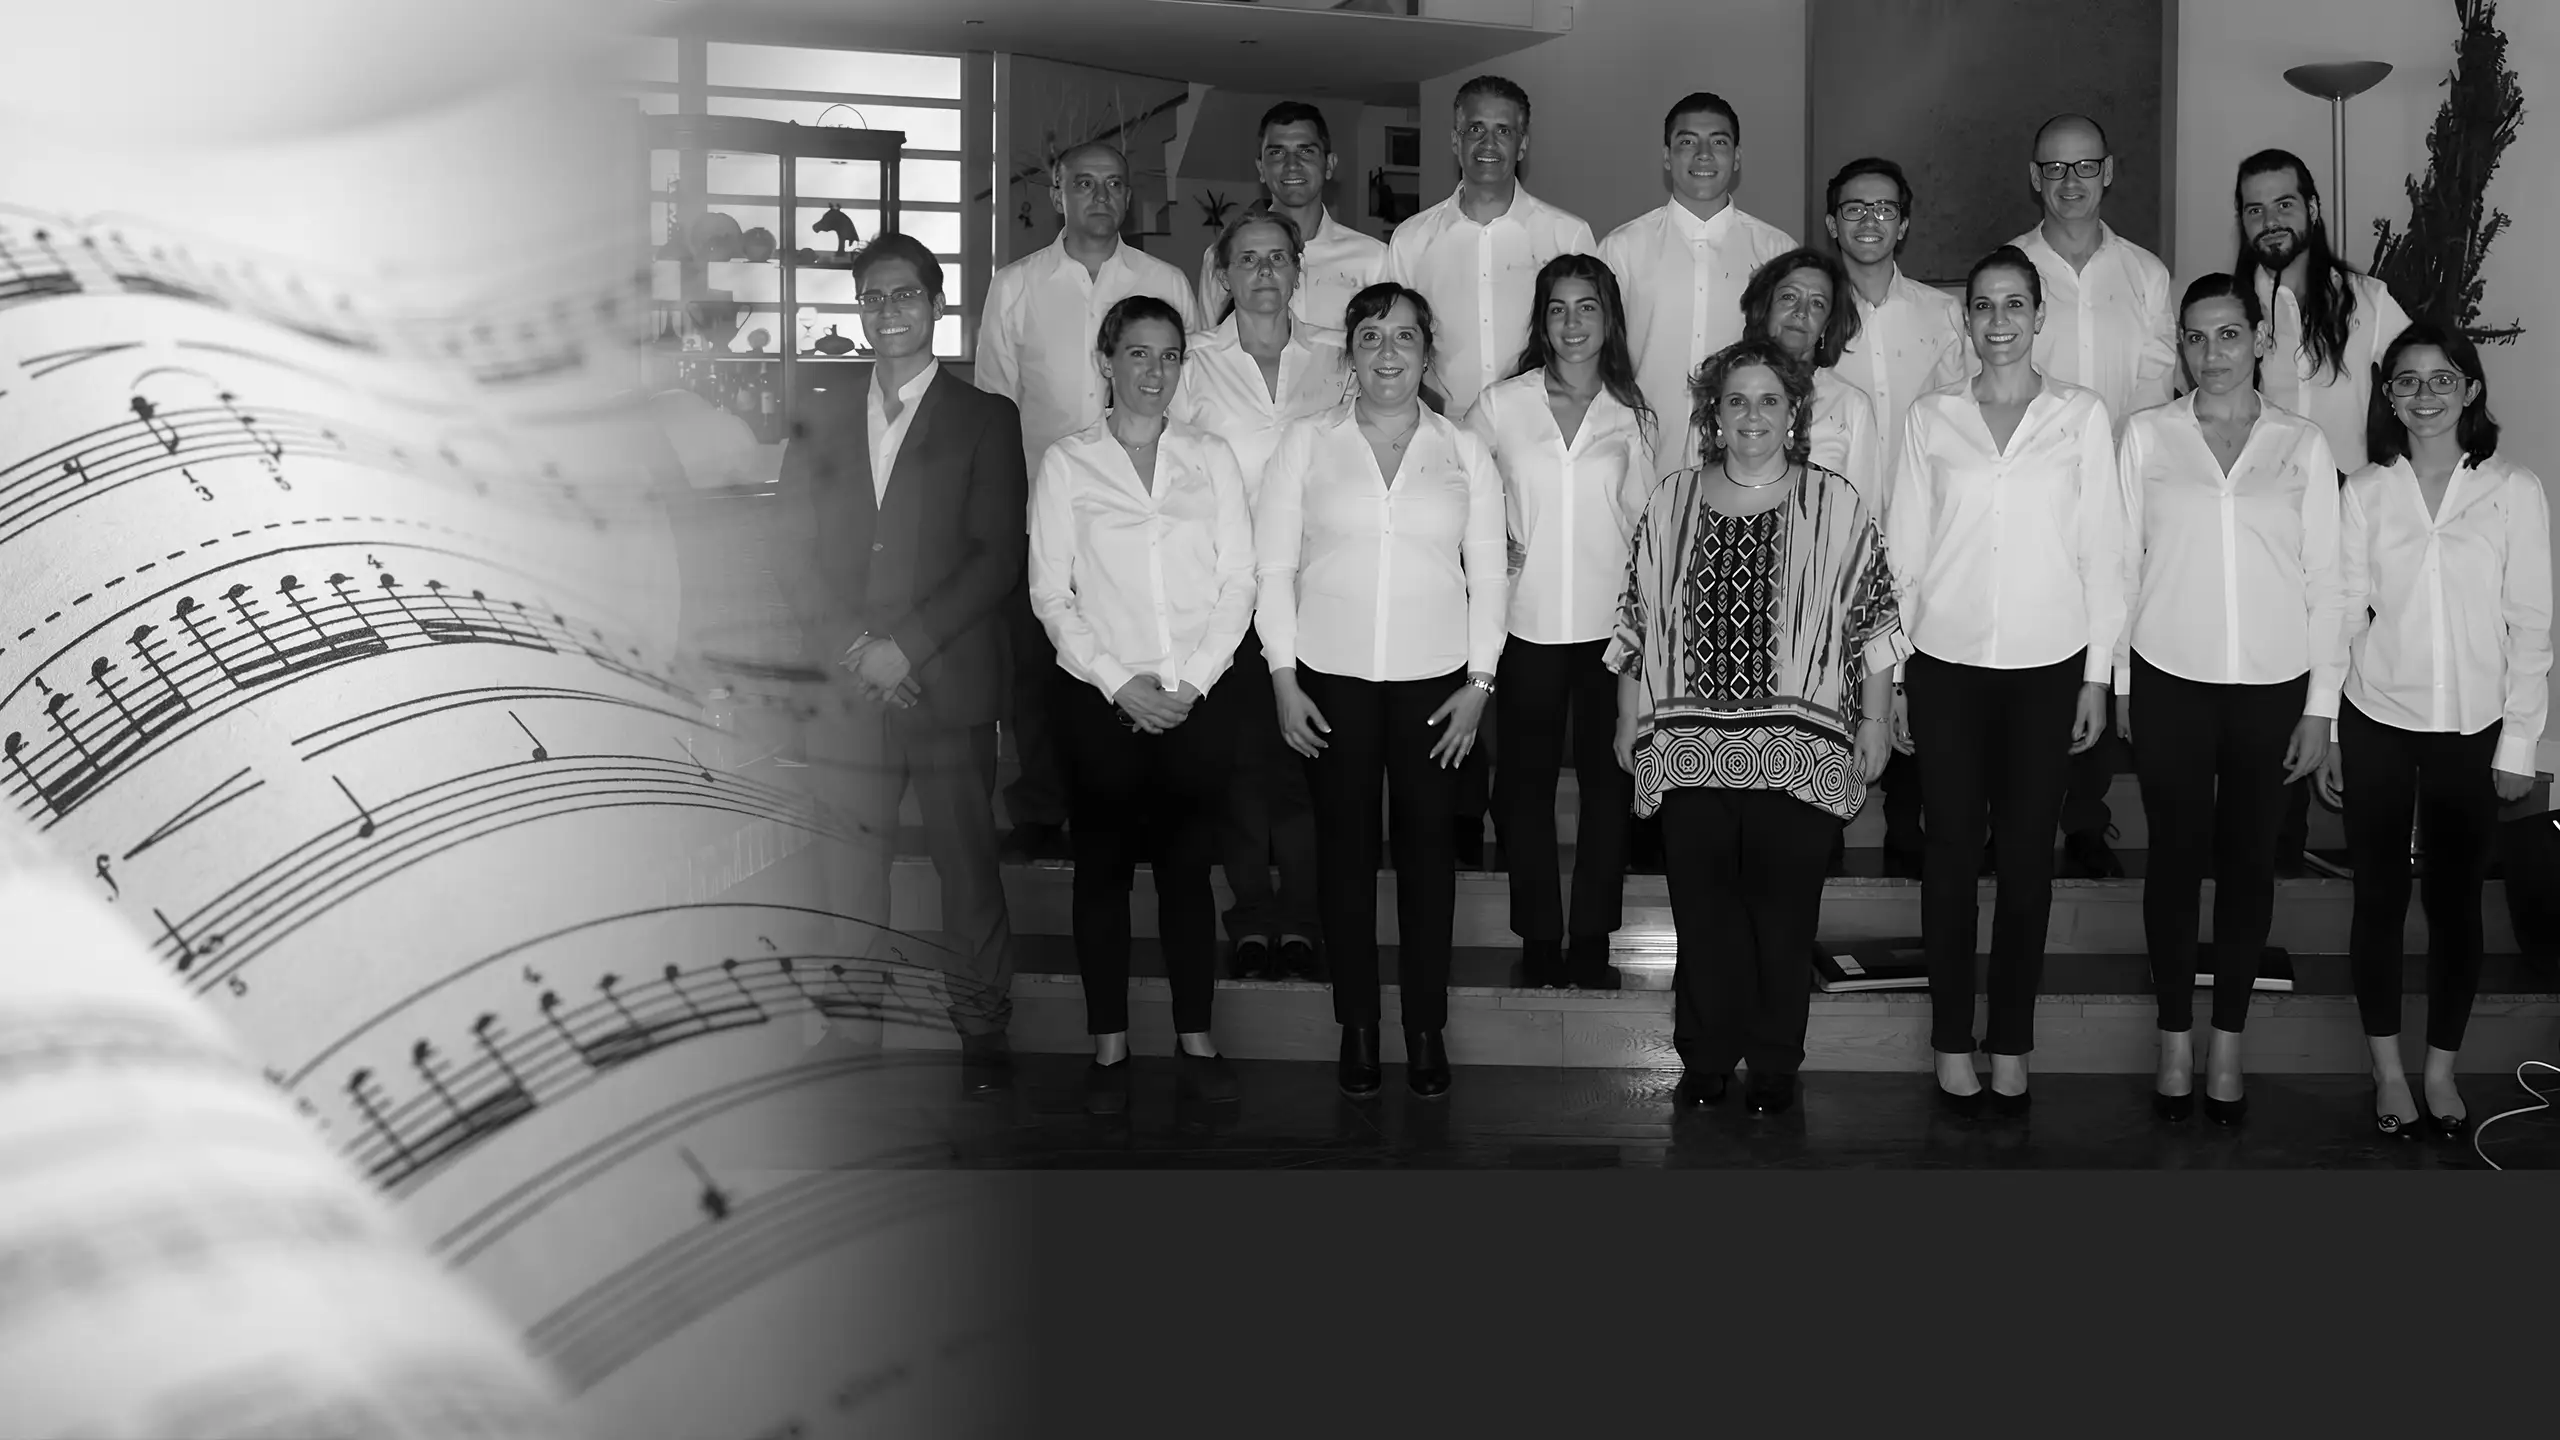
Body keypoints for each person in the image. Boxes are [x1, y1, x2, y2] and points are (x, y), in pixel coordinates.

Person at [1609, 336, 1904, 1114]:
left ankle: (1774, 1059)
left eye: (1769, 400)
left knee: (1783, 913)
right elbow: (1637, 619)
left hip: (1801, 747)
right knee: (1703, 911)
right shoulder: (1672, 500)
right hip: (1687, 744)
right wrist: (1626, 718)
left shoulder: (1835, 502)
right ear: (1714, 414)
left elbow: (1874, 620)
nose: (1752, 415)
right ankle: (1706, 1055)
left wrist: (1876, 720)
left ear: (1794, 412)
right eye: (1736, 400)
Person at [775, 232, 1027, 1094]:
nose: (890, 311)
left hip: (947, 680)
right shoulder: (819, 412)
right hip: (848, 686)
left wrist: (906, 647)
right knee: (851, 865)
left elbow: (997, 556)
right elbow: (791, 547)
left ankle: (982, 1030)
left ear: (937, 305)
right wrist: (855, 649)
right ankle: (852, 1032)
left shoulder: (986, 418)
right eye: (874, 297)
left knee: (967, 865)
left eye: (906, 295)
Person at [1888, 245, 2125, 1116]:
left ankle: (2013, 1041)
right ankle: (1953, 1038)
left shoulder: (2081, 416)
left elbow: (2104, 553)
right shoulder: (1931, 418)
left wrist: (2098, 678)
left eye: (2014, 305)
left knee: (2028, 862)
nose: (1998, 321)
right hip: (1944, 666)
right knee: (1950, 858)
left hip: (2048, 667)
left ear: (2038, 316)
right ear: (1967, 319)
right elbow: (1904, 553)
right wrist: (1896, 675)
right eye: (1983, 305)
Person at [1255, 282, 1507, 1100]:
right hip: (1330, 679)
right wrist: (1283, 676)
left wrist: (1480, 682)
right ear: (1350, 355)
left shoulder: (1463, 449)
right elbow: (1274, 567)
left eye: (1404, 337)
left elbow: (1490, 574)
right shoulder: (1306, 444)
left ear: (1427, 354)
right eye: (1370, 336)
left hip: (1439, 686)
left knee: (1431, 860)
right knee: (1344, 859)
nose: (1387, 352)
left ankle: (1425, 1029)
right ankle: (1358, 1027)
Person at [2115, 274, 2342, 1125]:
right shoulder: (2147, 436)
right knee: (2175, 860)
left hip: (2273, 686)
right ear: (2180, 347)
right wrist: (2121, 680)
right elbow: (2119, 565)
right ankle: (2175, 1038)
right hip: (2168, 676)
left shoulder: (2301, 445)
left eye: (2228, 334)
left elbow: (2327, 582)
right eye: (2195, 337)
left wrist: (2322, 706)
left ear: (2258, 341)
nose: (2211, 353)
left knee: (2249, 864)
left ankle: (2228, 1043)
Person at [2317, 320, 2551, 1140]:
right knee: (2379, 899)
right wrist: (2329, 726)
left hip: (2475, 727)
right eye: (2408, 381)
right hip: (2377, 716)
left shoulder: (2513, 489)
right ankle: (2388, 1072)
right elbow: (2343, 615)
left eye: (2442, 378)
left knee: (2455, 905)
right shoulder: (2364, 491)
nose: (2425, 395)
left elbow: (2531, 625)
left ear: (2471, 389)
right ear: (2388, 396)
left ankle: (2441, 1070)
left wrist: (2519, 742)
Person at [1029, 295, 1258, 1115]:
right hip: (1100, 701)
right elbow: (1051, 594)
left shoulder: (1210, 456)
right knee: (1102, 875)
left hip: (1197, 699)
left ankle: (1196, 1036)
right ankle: (1109, 1045)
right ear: (1106, 361)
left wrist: (1190, 682)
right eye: (1137, 353)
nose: (1154, 371)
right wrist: (1118, 681)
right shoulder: (1068, 463)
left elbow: (1239, 581)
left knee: (1188, 875)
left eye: (1168, 355)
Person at [976, 142, 1202, 861]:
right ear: (1057, 193)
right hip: (1043, 512)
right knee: (1040, 668)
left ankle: (1141, 799)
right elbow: (995, 409)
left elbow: (1185, 401)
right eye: (1084, 184)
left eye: (1113, 184)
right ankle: (1042, 804)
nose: (1100, 197)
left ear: (1128, 196)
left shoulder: (1164, 281)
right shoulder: (1015, 285)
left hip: (1139, 512)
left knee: (1139, 648)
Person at [1464, 254, 1655, 991]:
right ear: (1541, 321)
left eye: (1587, 307)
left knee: (1611, 785)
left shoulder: (1633, 414)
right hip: (1526, 624)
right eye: (1558, 308)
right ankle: (1541, 935)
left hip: (1612, 630)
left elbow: (1648, 528)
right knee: (1524, 788)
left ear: (1609, 320)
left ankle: (1593, 937)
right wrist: (1484, 543)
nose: (1572, 323)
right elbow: (1452, 485)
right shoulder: (1501, 405)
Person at [1170, 212, 1349, 982]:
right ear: (1223, 273)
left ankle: (1304, 919)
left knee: (1309, 764)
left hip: (1325, 589)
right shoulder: (1194, 363)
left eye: (1279, 258)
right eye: (1248, 259)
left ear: (1299, 270)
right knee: (1242, 764)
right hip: (1229, 591)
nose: (1265, 272)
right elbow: (1172, 472)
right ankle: (1249, 918)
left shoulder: (1338, 355)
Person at [2232, 146, 2413, 874]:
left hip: (2345, 523)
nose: (2270, 219)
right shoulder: (2230, 306)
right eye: (2254, 208)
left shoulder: (2366, 300)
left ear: (2311, 207)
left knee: (2346, 664)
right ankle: (2271, 850)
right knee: (2272, 685)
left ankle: (2366, 849)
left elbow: (2420, 381)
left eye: (2284, 203)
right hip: (2258, 531)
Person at [2007, 114, 2171, 880]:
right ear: (2034, 177)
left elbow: (2154, 392)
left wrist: (2124, 486)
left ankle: (2084, 820)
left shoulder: (2145, 274)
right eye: (2054, 167)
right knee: (2025, 659)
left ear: (2108, 171)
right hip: (2028, 500)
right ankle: (2010, 818)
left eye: (2083, 166)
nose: (2069, 181)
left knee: (2099, 651)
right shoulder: (2011, 268)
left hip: (2116, 495)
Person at [1821, 155, 1961, 878]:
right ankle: (1820, 822)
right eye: (1854, 208)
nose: (1869, 221)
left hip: (1922, 527)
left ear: (1904, 223)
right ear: (1831, 222)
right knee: (1826, 674)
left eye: (1883, 209)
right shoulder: (1814, 310)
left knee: (1915, 673)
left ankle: (1908, 829)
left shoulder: (1943, 315)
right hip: (1832, 534)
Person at [1383, 74, 1597, 420]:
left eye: (1504, 131)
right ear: (1456, 141)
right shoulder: (1411, 240)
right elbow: (1395, 340)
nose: (1488, 143)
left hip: (1539, 428)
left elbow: (1591, 344)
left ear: (1522, 145)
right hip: (1442, 430)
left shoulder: (1568, 236)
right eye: (1475, 129)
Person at [1600, 91, 1797, 463]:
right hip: (1642, 458)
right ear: (1667, 156)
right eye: (1688, 142)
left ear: (1737, 157)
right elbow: (1602, 359)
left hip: (1746, 460)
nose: (1703, 154)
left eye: (1718, 142)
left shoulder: (1776, 252)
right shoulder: (1621, 249)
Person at [1194, 100, 1387, 347]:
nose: (1292, 164)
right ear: (1261, 168)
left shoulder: (1373, 259)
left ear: (1329, 165)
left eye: (1306, 151)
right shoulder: (1222, 257)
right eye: (1277, 153)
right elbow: (1209, 352)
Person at [1739, 246, 1881, 510]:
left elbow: (1865, 513)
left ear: (1827, 324)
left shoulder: (1851, 406)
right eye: (1789, 297)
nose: (1801, 312)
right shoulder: (1720, 389)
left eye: (1817, 304)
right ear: (1765, 307)